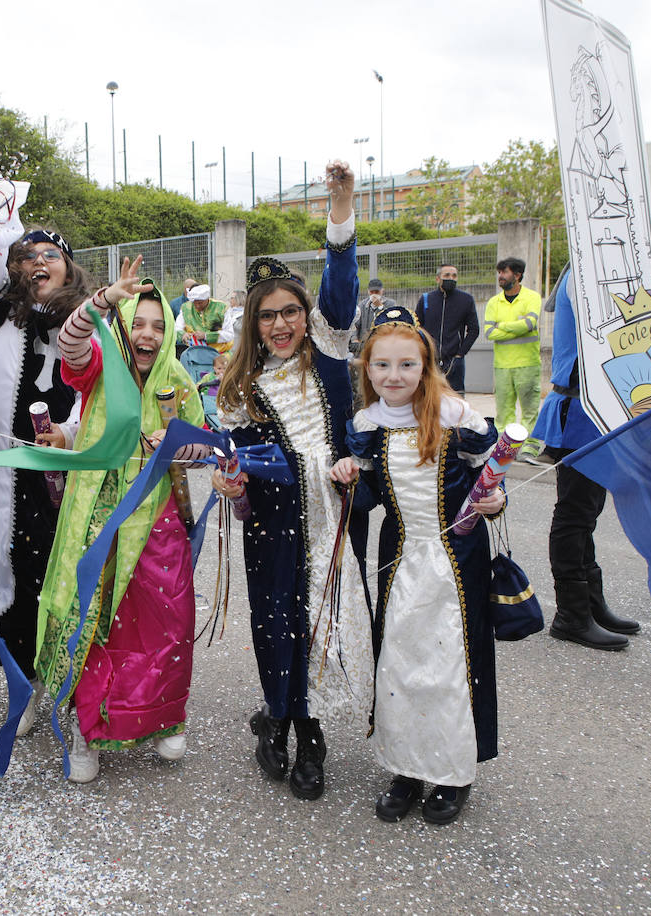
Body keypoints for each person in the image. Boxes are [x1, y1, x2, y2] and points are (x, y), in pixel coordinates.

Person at [213, 159, 366, 802]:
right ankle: (279, 715)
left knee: (320, 624)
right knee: (276, 626)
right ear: (253, 324)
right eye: (267, 316)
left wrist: (340, 208)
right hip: (274, 529)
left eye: (289, 312)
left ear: (305, 314)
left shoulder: (329, 353)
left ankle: (311, 735)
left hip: (328, 520)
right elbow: (242, 469)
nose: (280, 325)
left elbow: (339, 288)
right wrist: (233, 488)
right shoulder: (240, 392)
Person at [331, 305, 505, 826]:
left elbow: (490, 485)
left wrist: (496, 503)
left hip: (457, 559)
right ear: (366, 369)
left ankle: (453, 773)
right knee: (401, 664)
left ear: (426, 366)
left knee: (451, 665)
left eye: (407, 365)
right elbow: (367, 506)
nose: (393, 377)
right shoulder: (367, 425)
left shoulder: (458, 419)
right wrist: (347, 479)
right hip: (401, 557)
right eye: (381, 366)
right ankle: (406, 768)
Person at [38, 263, 207, 783]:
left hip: (157, 524)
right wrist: (103, 300)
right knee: (95, 621)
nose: (149, 334)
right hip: (97, 519)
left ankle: (162, 718)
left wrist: (179, 445)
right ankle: (87, 731)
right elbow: (71, 344)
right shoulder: (98, 367)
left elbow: (203, 447)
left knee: (166, 623)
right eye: (139, 322)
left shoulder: (178, 381)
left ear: (171, 332)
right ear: (124, 326)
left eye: (159, 325)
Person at [0, 140, 85, 733]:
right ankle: (32, 680)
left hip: (75, 464)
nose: (36, 262)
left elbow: (105, 396)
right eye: (25, 255)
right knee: (21, 568)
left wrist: (75, 435)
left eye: (48, 256)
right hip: (13, 468)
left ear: (67, 266)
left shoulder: (91, 319)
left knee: (76, 568)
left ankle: (78, 677)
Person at [534, 267, 638, 652]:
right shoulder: (584, 272)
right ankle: (572, 615)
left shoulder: (598, 269)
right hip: (581, 408)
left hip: (600, 406)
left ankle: (591, 603)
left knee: (589, 510)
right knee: (575, 512)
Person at [484, 257, 542, 432]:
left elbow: (529, 324)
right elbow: (489, 332)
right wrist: (518, 325)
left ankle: (529, 445)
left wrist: (501, 326)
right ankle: (504, 447)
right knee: (503, 412)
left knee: (529, 410)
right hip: (502, 366)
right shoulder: (494, 302)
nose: (500, 276)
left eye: (505, 272)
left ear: (517, 275)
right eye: (499, 272)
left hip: (527, 364)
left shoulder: (532, 297)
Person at [415, 264, 479, 394]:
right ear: (438, 278)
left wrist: (460, 353)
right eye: (447, 275)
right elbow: (417, 327)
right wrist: (423, 350)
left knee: (456, 397)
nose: (451, 278)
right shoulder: (426, 299)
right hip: (429, 358)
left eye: (454, 276)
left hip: (454, 359)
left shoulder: (466, 300)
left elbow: (474, 329)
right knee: (426, 395)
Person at [351, 278, 396, 357]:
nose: (374, 294)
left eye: (377, 292)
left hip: (383, 344)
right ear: (368, 291)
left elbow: (392, 321)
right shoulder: (362, 305)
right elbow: (355, 324)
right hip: (364, 346)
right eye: (372, 292)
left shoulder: (390, 304)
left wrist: (381, 307)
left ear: (382, 291)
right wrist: (354, 339)